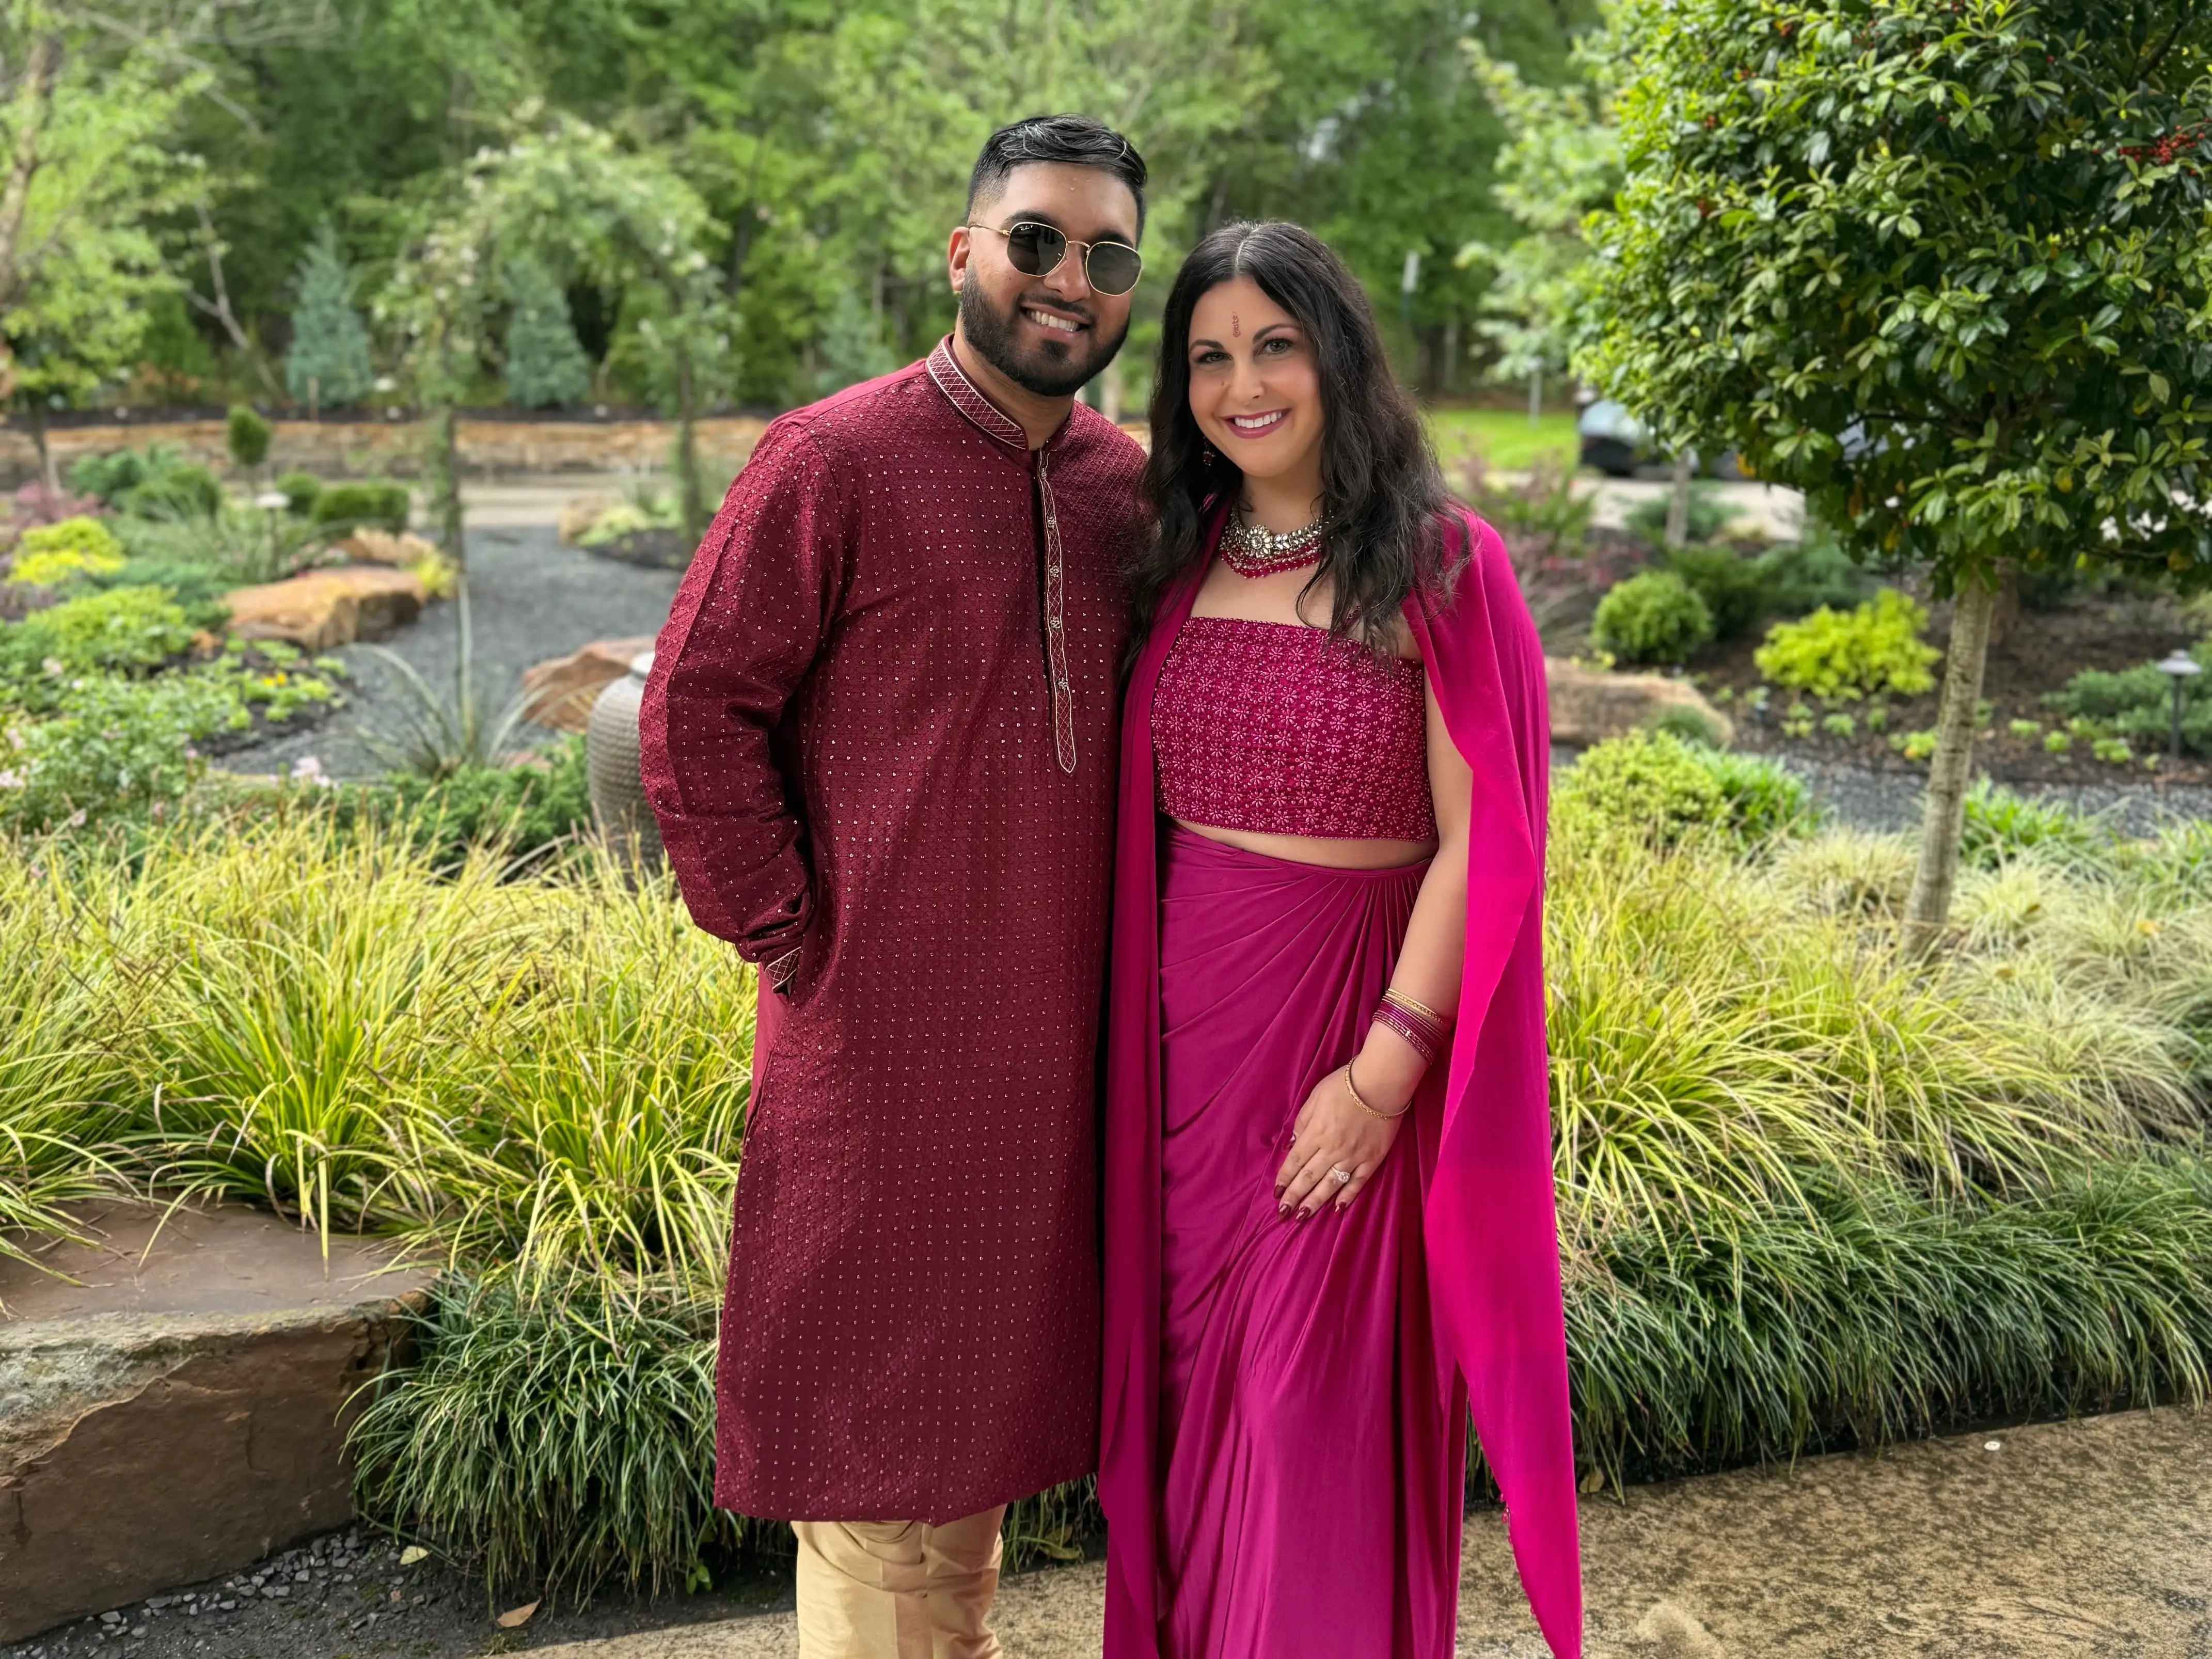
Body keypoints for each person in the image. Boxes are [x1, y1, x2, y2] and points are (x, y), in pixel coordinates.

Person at [638, 114, 1149, 1659]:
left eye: (1108, 255)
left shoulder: (1128, 491)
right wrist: (794, 934)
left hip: (1059, 1068)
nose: (1069, 278)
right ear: (962, 251)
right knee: (875, 1471)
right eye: (1037, 240)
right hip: (876, 1054)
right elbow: (694, 706)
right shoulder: (834, 458)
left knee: (965, 1470)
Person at [1097, 220, 1584, 1659]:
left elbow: (1487, 837)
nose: (1242, 385)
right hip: (1186, 1078)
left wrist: (1384, 1076)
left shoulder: (1438, 564)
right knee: (1191, 1446)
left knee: (1307, 1426)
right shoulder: (1174, 563)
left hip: (1355, 1050)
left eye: (1275, 346)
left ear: (1339, 357)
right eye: (1208, 357)